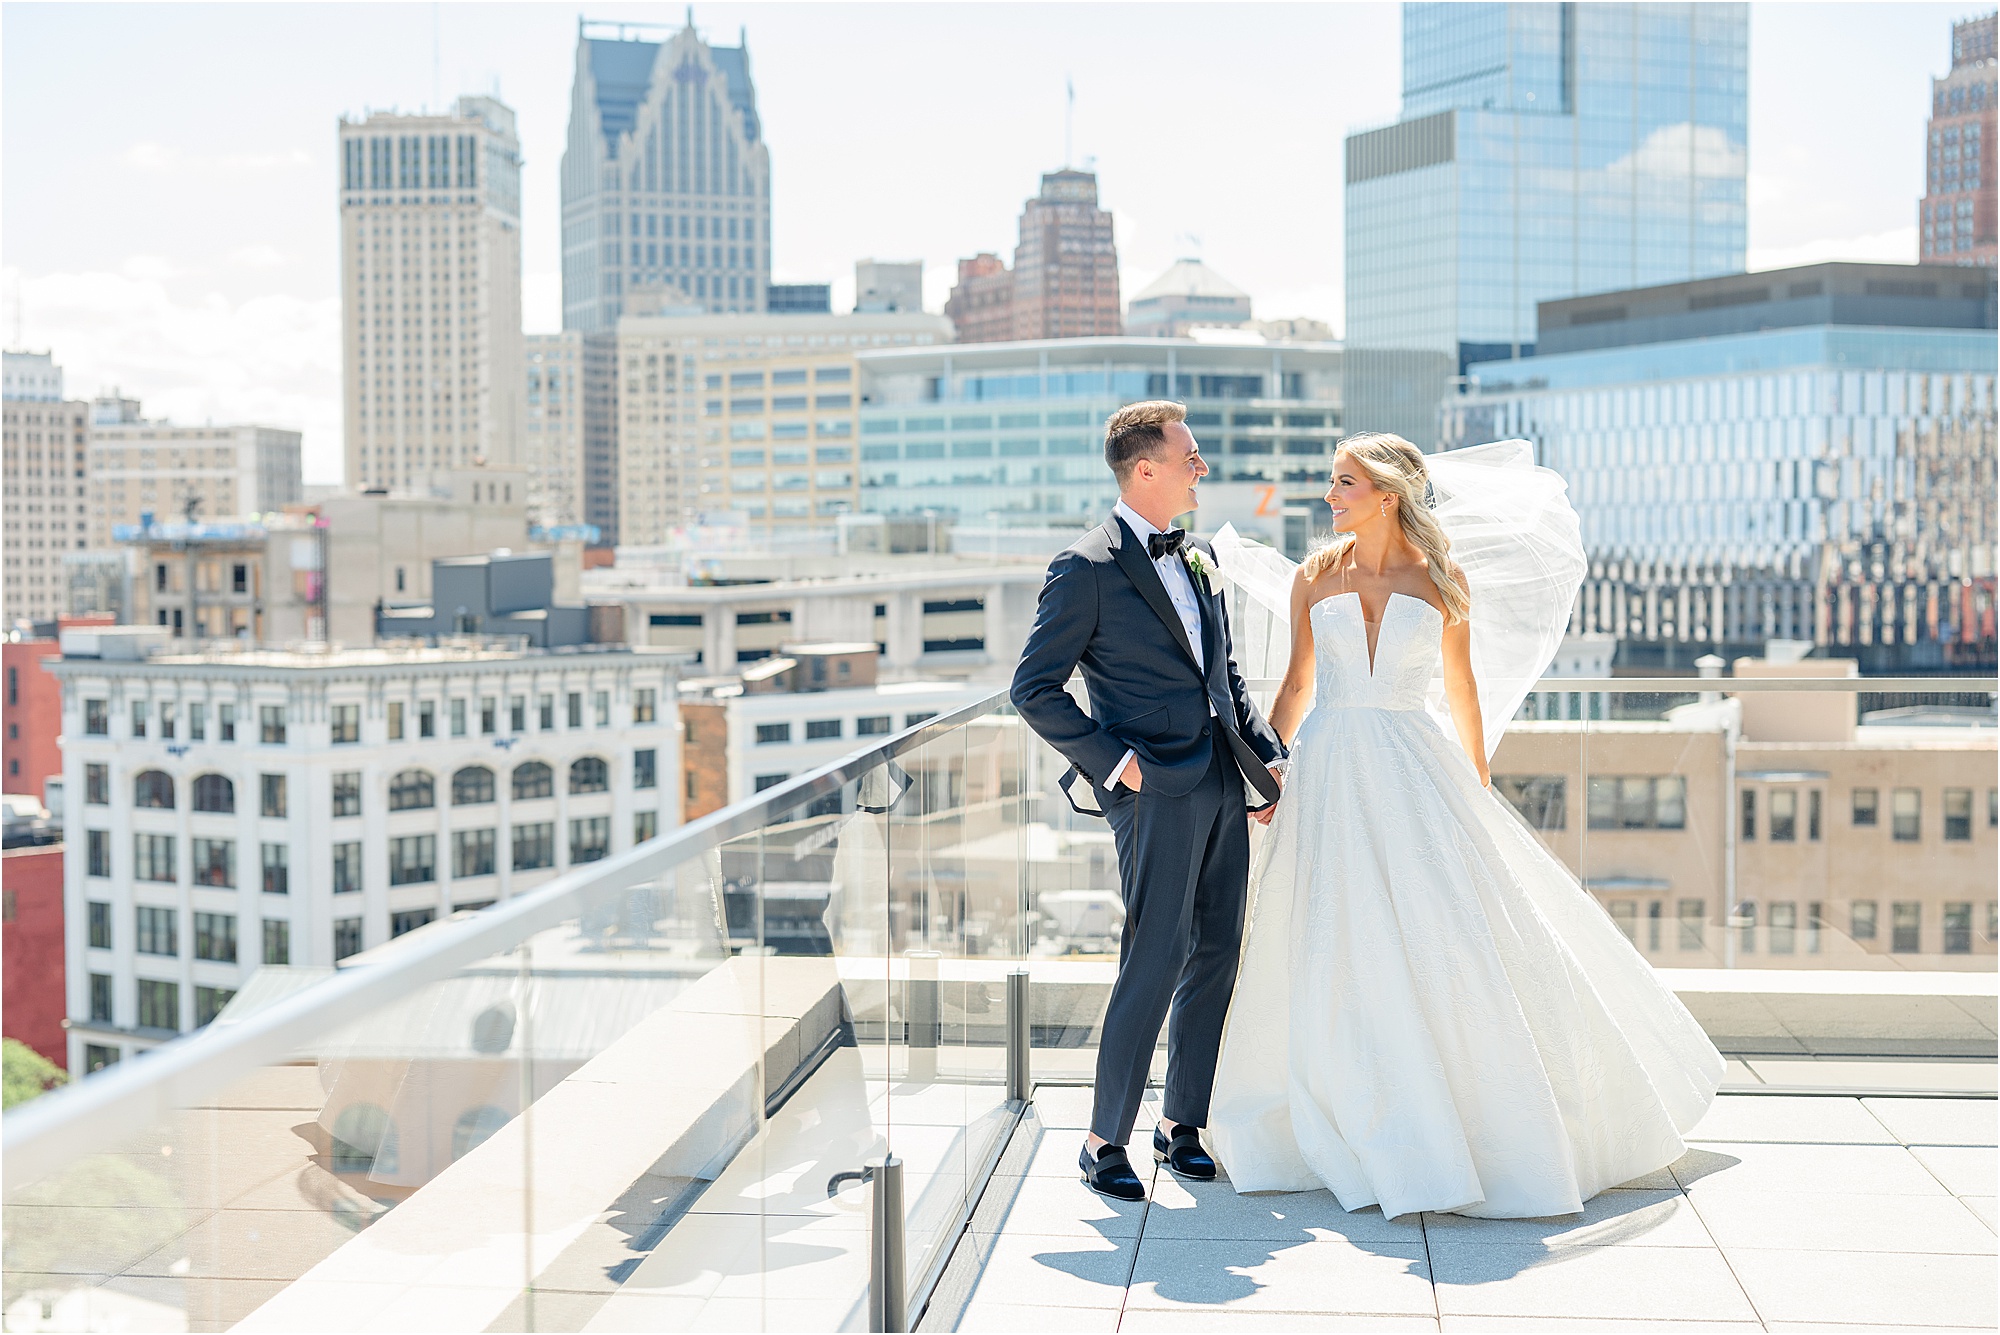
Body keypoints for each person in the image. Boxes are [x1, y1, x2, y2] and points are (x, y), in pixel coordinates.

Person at [1208, 432, 1724, 1220]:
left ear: (1386, 492)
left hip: (1414, 768)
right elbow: (1300, 683)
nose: (1328, 495)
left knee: (1442, 933)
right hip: (1331, 768)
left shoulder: (1442, 579)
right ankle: (1349, 1105)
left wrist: (1475, 781)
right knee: (1332, 933)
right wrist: (1265, 767)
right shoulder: (1315, 577)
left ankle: (1468, 1110)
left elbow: (1463, 688)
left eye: (1343, 482)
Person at [1010, 400, 1286, 1203]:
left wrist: (1266, 755)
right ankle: (1104, 1140)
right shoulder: (1084, 568)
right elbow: (1033, 689)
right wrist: (1115, 764)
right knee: (1154, 954)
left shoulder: (1198, 555)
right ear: (1145, 469)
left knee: (1216, 952)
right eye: (1190, 455)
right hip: (1151, 789)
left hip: (1221, 781)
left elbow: (1224, 677)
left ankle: (1181, 1124)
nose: (1202, 466)